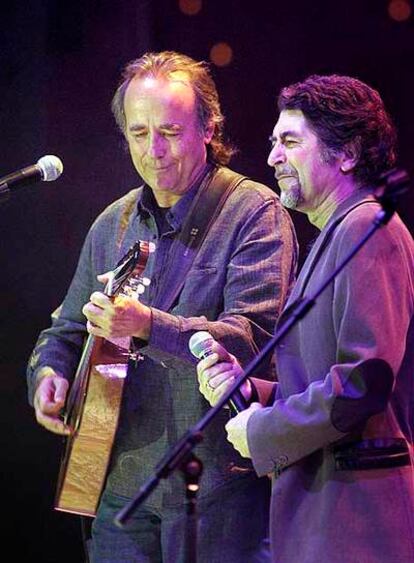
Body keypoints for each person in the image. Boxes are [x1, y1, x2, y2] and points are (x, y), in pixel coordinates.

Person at [26, 51, 298, 562]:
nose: (154, 151)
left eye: (170, 132)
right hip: (116, 485)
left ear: (209, 127)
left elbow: (254, 340)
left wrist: (149, 324)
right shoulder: (114, 221)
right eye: (138, 133)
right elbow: (63, 331)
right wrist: (47, 375)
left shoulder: (253, 211)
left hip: (216, 490)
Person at [197, 74, 414, 562]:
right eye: (274, 142)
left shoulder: (367, 228)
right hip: (325, 514)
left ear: (347, 153)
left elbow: (364, 384)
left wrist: (264, 431)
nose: (273, 157)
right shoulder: (338, 232)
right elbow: (327, 380)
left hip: (355, 521)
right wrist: (254, 391)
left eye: (290, 142)